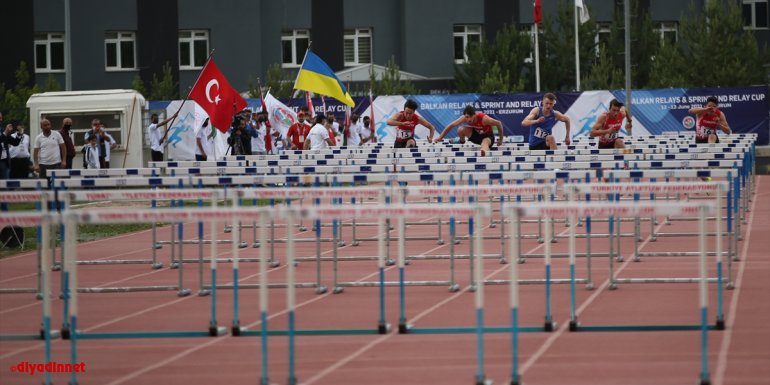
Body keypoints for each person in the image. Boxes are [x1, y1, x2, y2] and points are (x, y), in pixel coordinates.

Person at [434, 105, 504, 155]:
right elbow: (451, 125)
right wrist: (440, 137)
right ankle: (461, 141)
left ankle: (484, 151)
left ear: (474, 115)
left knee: (484, 143)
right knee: (460, 129)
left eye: (469, 117)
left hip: (488, 137)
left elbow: (499, 123)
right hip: (476, 136)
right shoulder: (464, 118)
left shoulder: (484, 119)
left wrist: (500, 139)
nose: (468, 120)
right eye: (466, 117)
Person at [32, 118, 66, 183]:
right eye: (45, 125)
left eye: (49, 124)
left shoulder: (57, 134)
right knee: (44, 184)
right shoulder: (38, 137)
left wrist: (64, 160)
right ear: (41, 127)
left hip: (56, 164)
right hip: (43, 164)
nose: (47, 126)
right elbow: (35, 152)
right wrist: (36, 164)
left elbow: (63, 147)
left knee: (57, 183)